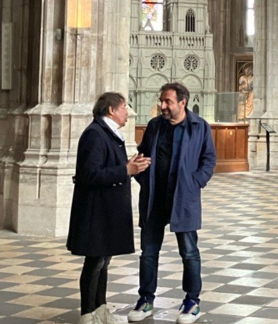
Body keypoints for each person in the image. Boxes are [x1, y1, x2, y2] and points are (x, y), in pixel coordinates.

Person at [128, 83, 216, 324]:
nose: (162, 106)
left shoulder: (199, 126)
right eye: (162, 101)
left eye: (167, 102)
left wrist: (195, 182)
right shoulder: (155, 126)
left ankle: (192, 302)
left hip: (183, 199)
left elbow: (209, 159)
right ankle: (145, 299)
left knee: (189, 252)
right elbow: (142, 154)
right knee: (148, 253)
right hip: (155, 198)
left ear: (182, 102)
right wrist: (144, 179)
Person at [67, 92, 151, 324]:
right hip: (97, 210)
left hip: (108, 209)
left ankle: (100, 307)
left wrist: (130, 166)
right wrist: (125, 170)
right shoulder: (94, 134)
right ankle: (87, 313)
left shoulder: (110, 133)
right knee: (94, 262)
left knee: (104, 262)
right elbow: (89, 174)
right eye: (124, 106)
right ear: (111, 110)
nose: (127, 111)